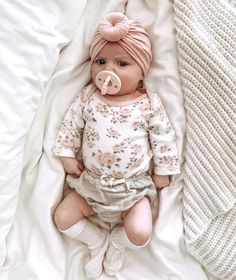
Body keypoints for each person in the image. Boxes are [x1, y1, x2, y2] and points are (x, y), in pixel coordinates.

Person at [53, 12, 180, 279]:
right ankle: (96, 239)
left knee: (141, 232)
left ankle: (118, 241)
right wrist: (66, 154)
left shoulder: (148, 104)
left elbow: (163, 137)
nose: (108, 71)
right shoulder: (88, 96)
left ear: (142, 71)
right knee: (63, 217)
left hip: (132, 190)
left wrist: (163, 170)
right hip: (91, 186)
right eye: (100, 61)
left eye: (122, 63)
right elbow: (71, 124)